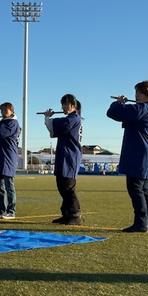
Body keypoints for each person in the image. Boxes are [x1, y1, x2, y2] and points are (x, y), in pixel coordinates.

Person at [107, 80, 148, 232]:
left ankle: (141, 223)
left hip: (139, 153)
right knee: (144, 189)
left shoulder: (143, 108)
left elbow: (113, 113)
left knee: (135, 187)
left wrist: (118, 103)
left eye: (140, 93)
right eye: (136, 92)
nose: (136, 96)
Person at [44, 94, 83, 225]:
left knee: (68, 187)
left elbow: (56, 125)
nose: (63, 107)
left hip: (70, 156)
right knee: (62, 185)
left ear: (73, 106)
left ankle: (75, 214)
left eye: (66, 104)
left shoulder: (73, 118)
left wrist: (48, 117)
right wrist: (48, 118)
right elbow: (55, 129)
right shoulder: (71, 118)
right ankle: (66, 214)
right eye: (63, 104)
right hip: (65, 155)